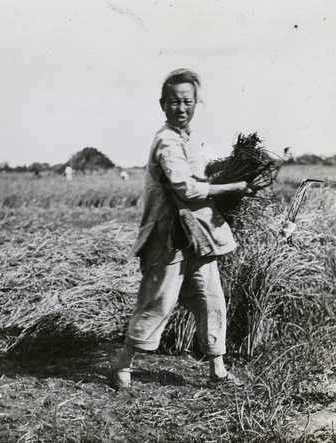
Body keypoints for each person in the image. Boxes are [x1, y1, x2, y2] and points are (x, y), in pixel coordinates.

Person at [113, 69, 256, 389]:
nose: (181, 108)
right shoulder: (165, 140)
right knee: (158, 302)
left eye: (188, 102)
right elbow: (187, 189)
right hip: (168, 236)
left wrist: (228, 166)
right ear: (162, 104)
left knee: (211, 300)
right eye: (174, 102)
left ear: (196, 104)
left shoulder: (188, 138)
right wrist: (232, 187)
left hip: (198, 235)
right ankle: (123, 366)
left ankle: (217, 369)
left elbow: (200, 174)